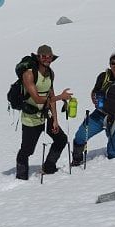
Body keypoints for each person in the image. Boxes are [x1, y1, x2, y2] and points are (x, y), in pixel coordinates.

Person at [15, 45, 73, 180]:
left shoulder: (50, 74)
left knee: (61, 139)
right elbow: (37, 99)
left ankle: (49, 167)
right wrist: (60, 97)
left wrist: (55, 120)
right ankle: (21, 177)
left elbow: (50, 96)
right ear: (38, 57)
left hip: (45, 115)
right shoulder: (29, 74)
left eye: (50, 56)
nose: (47, 59)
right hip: (31, 118)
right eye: (44, 56)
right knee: (27, 150)